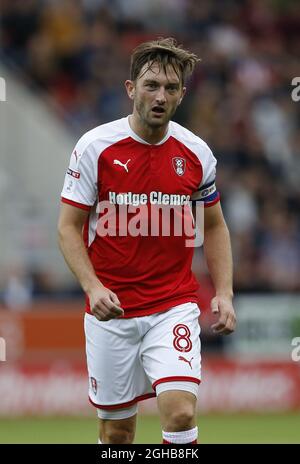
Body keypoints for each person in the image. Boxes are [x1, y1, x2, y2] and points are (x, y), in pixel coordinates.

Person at [58, 37, 236, 445]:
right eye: (151, 85)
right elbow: (68, 227)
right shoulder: (95, 148)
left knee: (180, 412)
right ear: (130, 89)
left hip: (172, 305)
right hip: (110, 312)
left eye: (170, 88)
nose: (160, 96)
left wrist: (224, 292)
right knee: (118, 433)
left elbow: (214, 226)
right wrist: (92, 286)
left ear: (182, 95)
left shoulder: (196, 153)